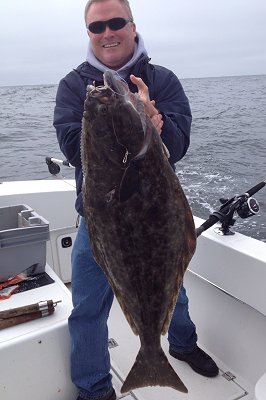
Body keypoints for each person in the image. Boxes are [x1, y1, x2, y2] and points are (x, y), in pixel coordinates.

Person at [53, 1, 219, 399]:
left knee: (171, 287)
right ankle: (94, 388)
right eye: (97, 26)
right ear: (88, 33)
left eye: (115, 23)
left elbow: (177, 147)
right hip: (100, 220)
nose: (107, 32)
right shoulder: (74, 86)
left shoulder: (161, 80)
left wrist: (156, 123)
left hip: (158, 216)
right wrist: (127, 117)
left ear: (131, 26)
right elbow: (76, 151)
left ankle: (179, 344)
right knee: (88, 305)